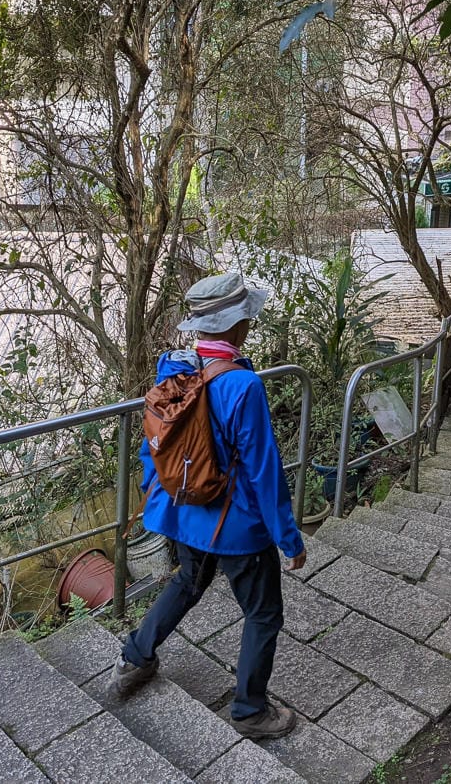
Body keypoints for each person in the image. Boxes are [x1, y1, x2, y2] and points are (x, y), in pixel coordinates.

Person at [109, 271, 307, 740]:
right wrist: (288, 538)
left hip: (181, 511)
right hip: (234, 525)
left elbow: (153, 444)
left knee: (188, 580)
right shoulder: (244, 385)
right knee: (263, 613)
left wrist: (158, 495)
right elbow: (263, 470)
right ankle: (249, 711)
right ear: (239, 326)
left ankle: (135, 657)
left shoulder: (174, 369)